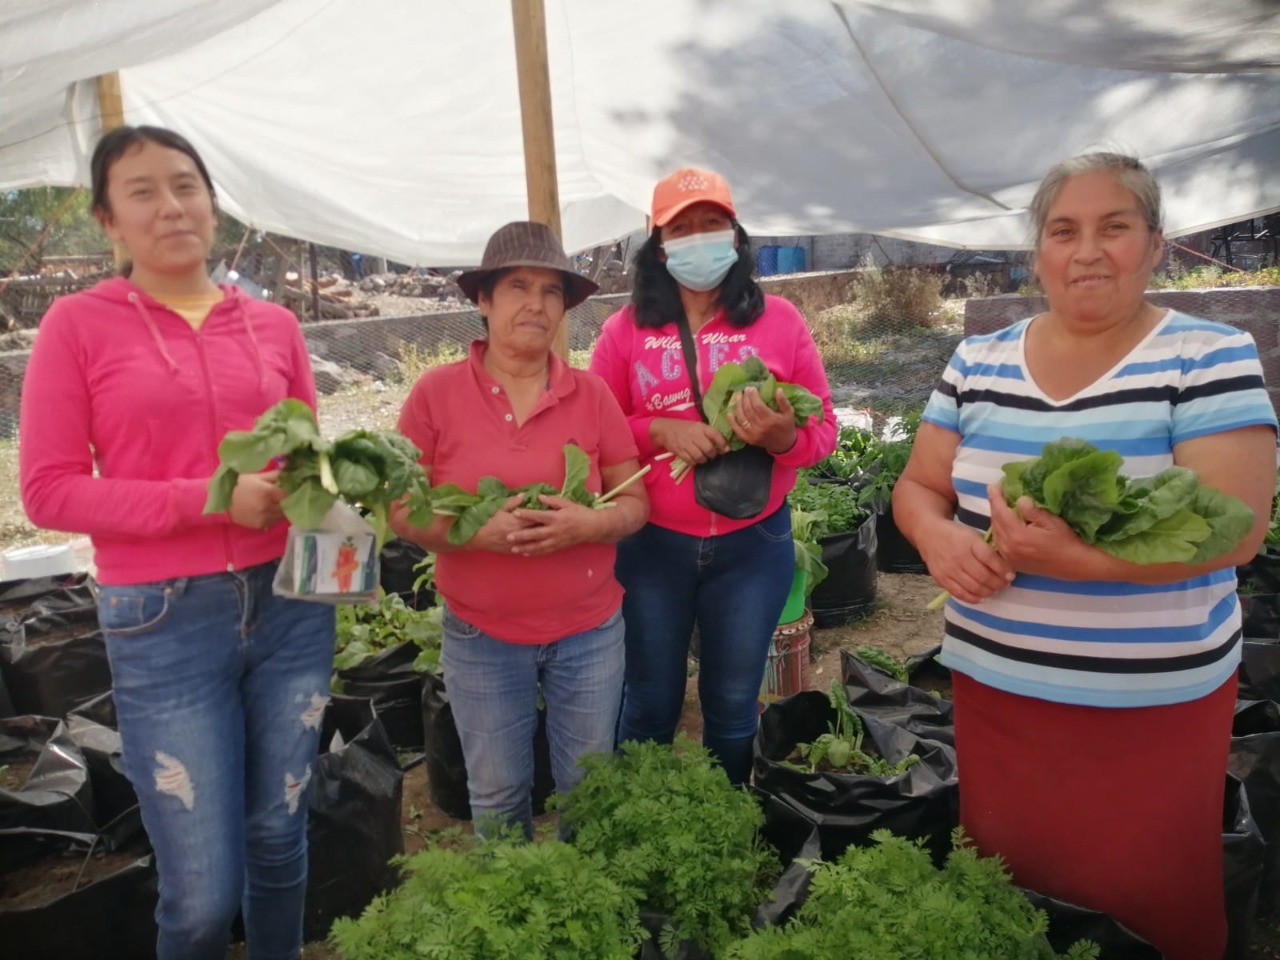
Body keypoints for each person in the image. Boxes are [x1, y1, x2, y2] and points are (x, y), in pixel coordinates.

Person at [892, 152, 1277, 960]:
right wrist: (939, 537)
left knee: (1146, 902)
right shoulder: (978, 362)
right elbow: (918, 488)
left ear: (1156, 244)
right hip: (998, 693)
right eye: (1064, 231)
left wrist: (1078, 562)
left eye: (1115, 227)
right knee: (1009, 892)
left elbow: (1237, 529)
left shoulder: (1206, 357)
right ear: (1038, 254)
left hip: (1149, 706)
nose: (1088, 251)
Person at [18, 126, 336, 960]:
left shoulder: (272, 325)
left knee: (279, 836)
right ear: (108, 220)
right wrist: (213, 498)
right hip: (163, 621)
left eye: (186, 185)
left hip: (292, 604)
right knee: (199, 894)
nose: (172, 206)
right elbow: (49, 490)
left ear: (213, 202)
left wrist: (332, 495)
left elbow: (309, 456)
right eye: (144, 191)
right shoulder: (76, 326)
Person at [390, 221, 648, 837]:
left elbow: (635, 502)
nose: (535, 303)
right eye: (517, 286)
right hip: (482, 637)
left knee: (589, 786)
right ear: (484, 300)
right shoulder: (435, 394)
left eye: (551, 291)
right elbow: (401, 508)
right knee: (499, 792)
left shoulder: (591, 396)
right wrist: (478, 533)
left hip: (588, 634)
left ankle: (586, 913)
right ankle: (516, 911)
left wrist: (588, 524)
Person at [589, 167, 837, 786]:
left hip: (754, 546)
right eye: (682, 227)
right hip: (651, 547)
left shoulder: (780, 322)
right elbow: (594, 429)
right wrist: (659, 430)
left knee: (731, 708)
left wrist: (782, 436)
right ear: (658, 244)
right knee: (649, 700)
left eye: (712, 224)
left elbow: (823, 431)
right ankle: (637, 818)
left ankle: (730, 818)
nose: (698, 238)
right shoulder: (623, 333)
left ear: (735, 235)